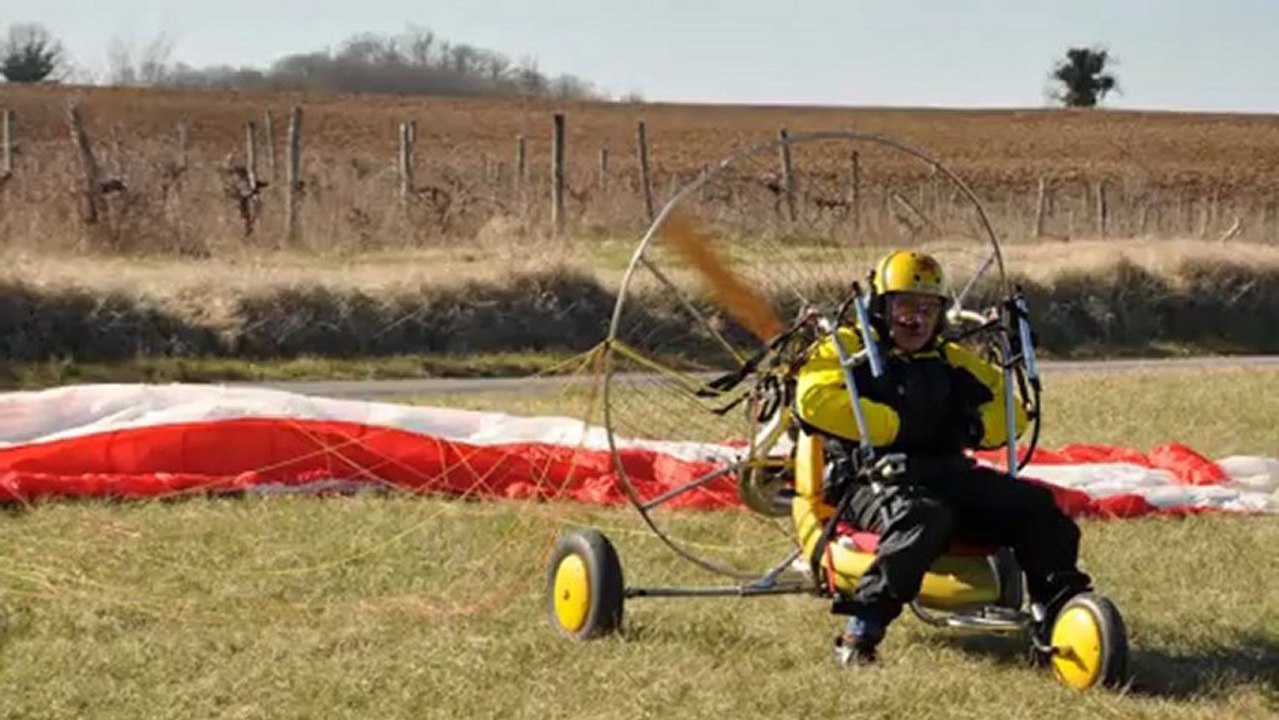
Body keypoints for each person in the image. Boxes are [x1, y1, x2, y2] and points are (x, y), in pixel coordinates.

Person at [792, 250, 1092, 666]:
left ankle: (1060, 616)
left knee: (1038, 508)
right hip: (869, 480)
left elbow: (1012, 411)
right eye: (903, 307)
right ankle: (861, 631)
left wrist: (970, 428)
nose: (914, 320)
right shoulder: (845, 348)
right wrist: (895, 426)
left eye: (927, 308)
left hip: (945, 474)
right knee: (923, 517)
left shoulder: (948, 359)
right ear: (881, 306)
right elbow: (813, 400)